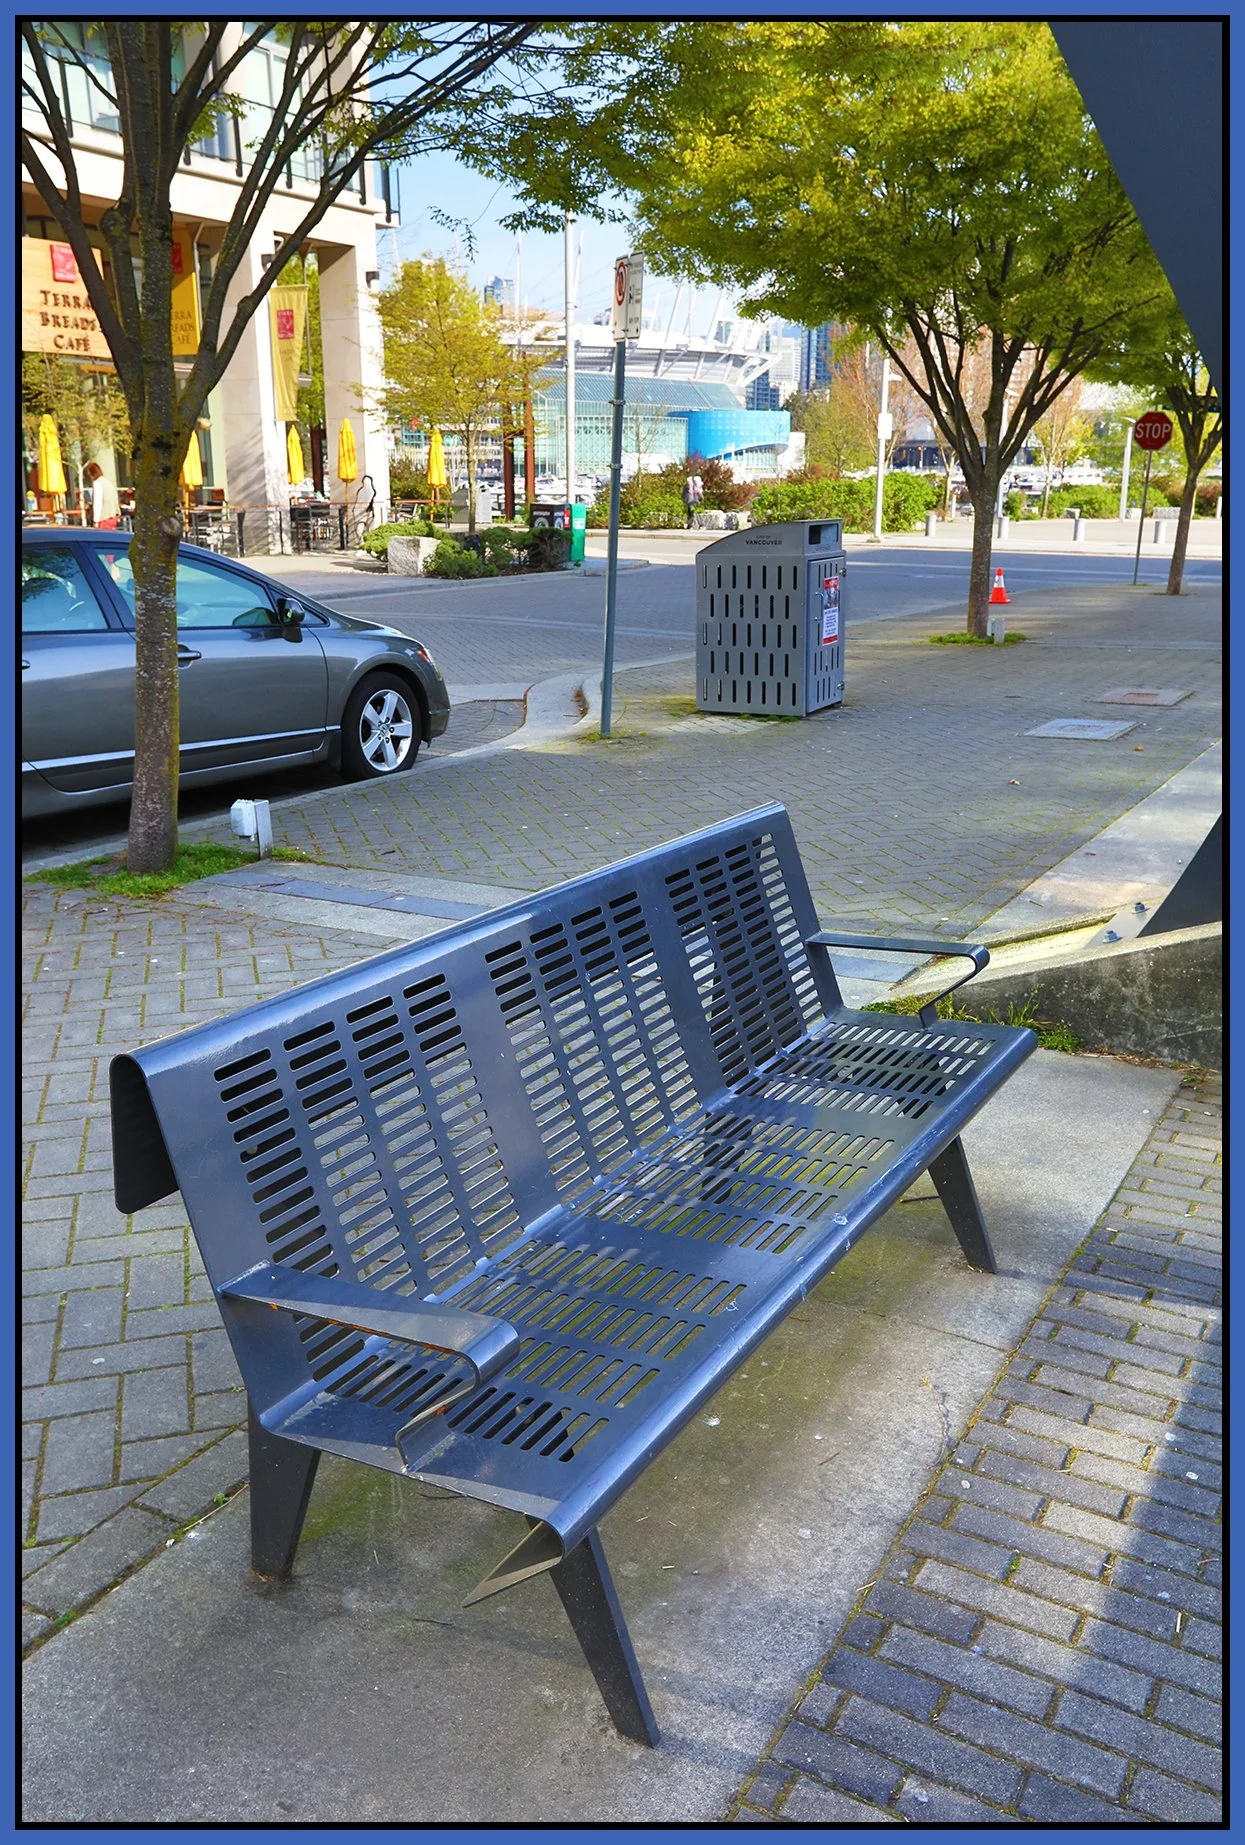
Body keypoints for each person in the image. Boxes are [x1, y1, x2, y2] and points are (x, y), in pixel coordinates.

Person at [85, 460, 120, 529]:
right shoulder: (108, 482)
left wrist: (96, 521)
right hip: (113, 517)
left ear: (92, 474)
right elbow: (115, 498)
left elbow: (97, 503)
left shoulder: (97, 483)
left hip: (103, 518)